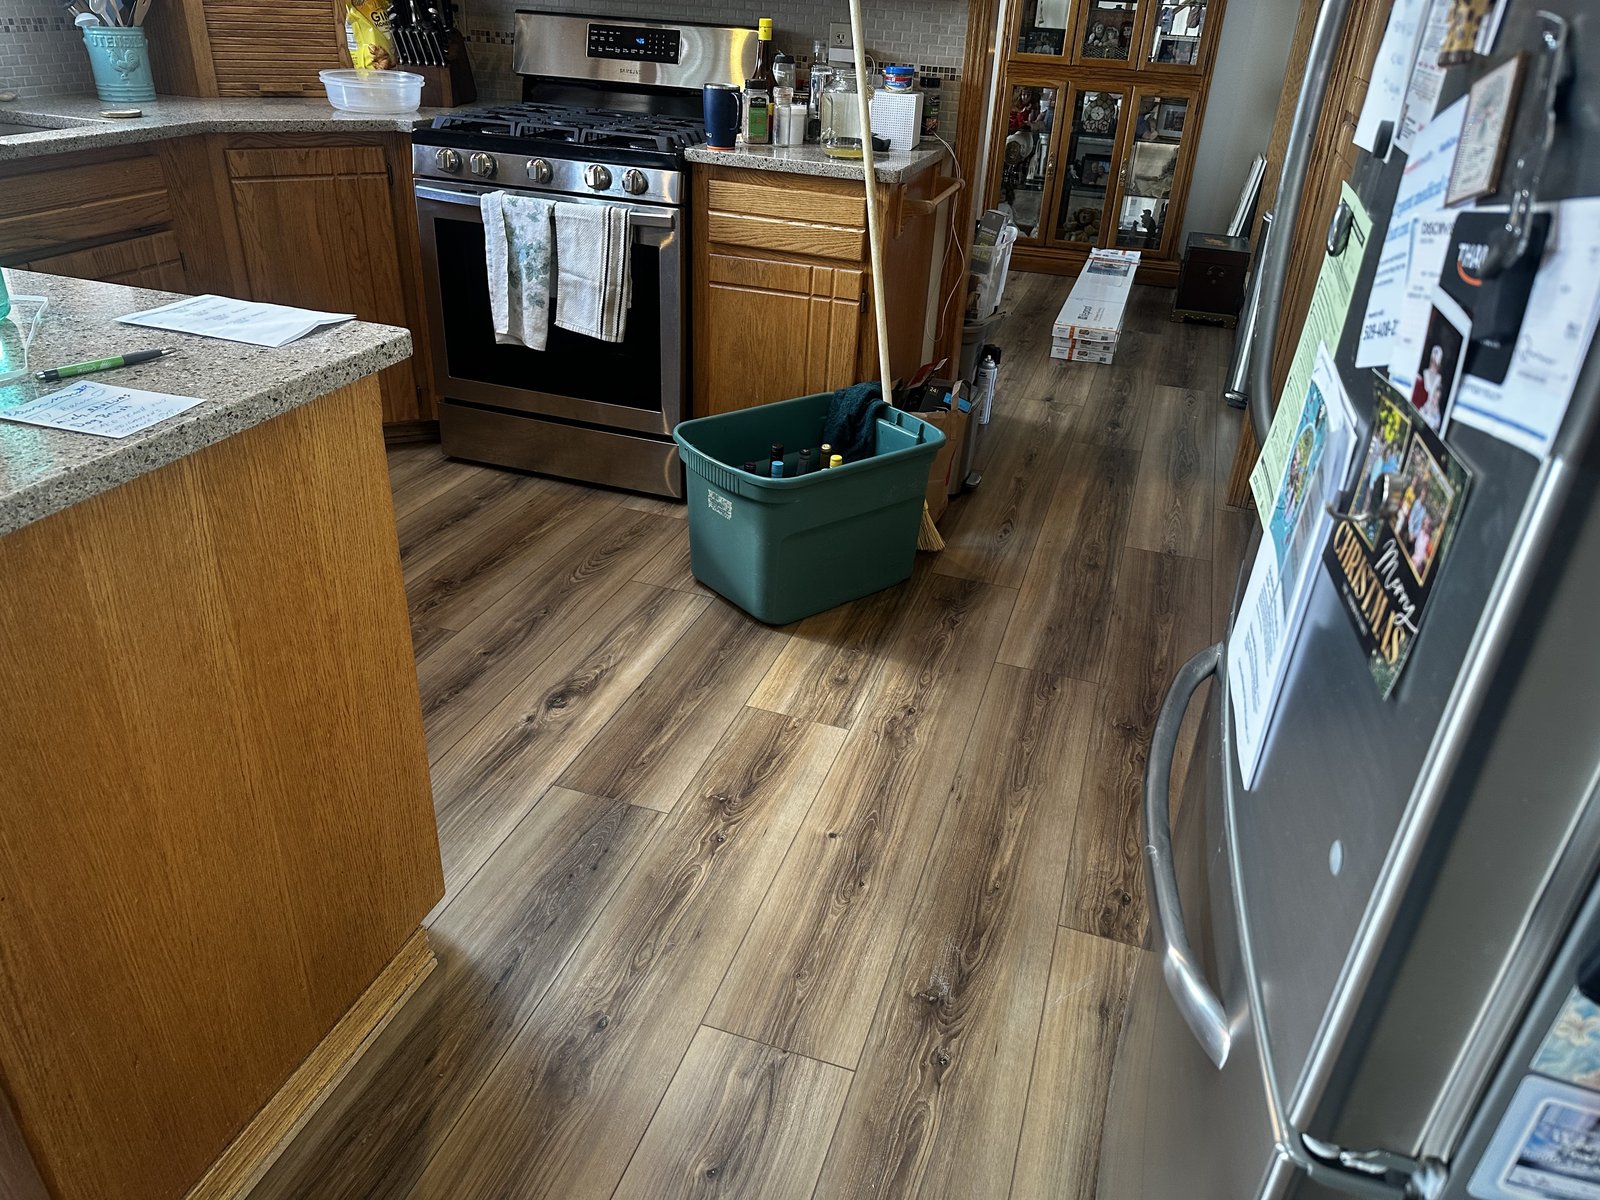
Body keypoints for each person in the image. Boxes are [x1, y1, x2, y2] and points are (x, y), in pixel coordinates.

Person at [1414, 344, 1445, 427]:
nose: (1434, 364)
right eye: (1433, 360)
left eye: (1436, 361)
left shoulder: (1438, 379)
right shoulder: (1424, 374)